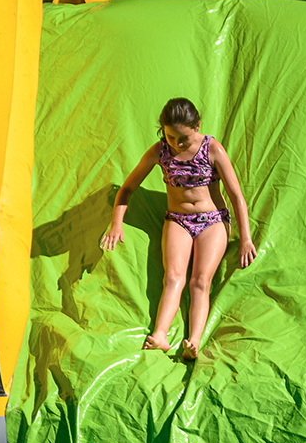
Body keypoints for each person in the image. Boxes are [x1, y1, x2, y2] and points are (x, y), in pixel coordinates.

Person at [100, 98, 257, 360]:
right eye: (170, 137)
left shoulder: (212, 148)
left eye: (182, 138)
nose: (176, 144)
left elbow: (236, 195)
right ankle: (160, 335)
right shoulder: (159, 151)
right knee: (173, 277)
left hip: (213, 220)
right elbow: (127, 188)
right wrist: (116, 222)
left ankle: (193, 341)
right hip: (177, 220)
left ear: (197, 126)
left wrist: (246, 239)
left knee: (199, 281)